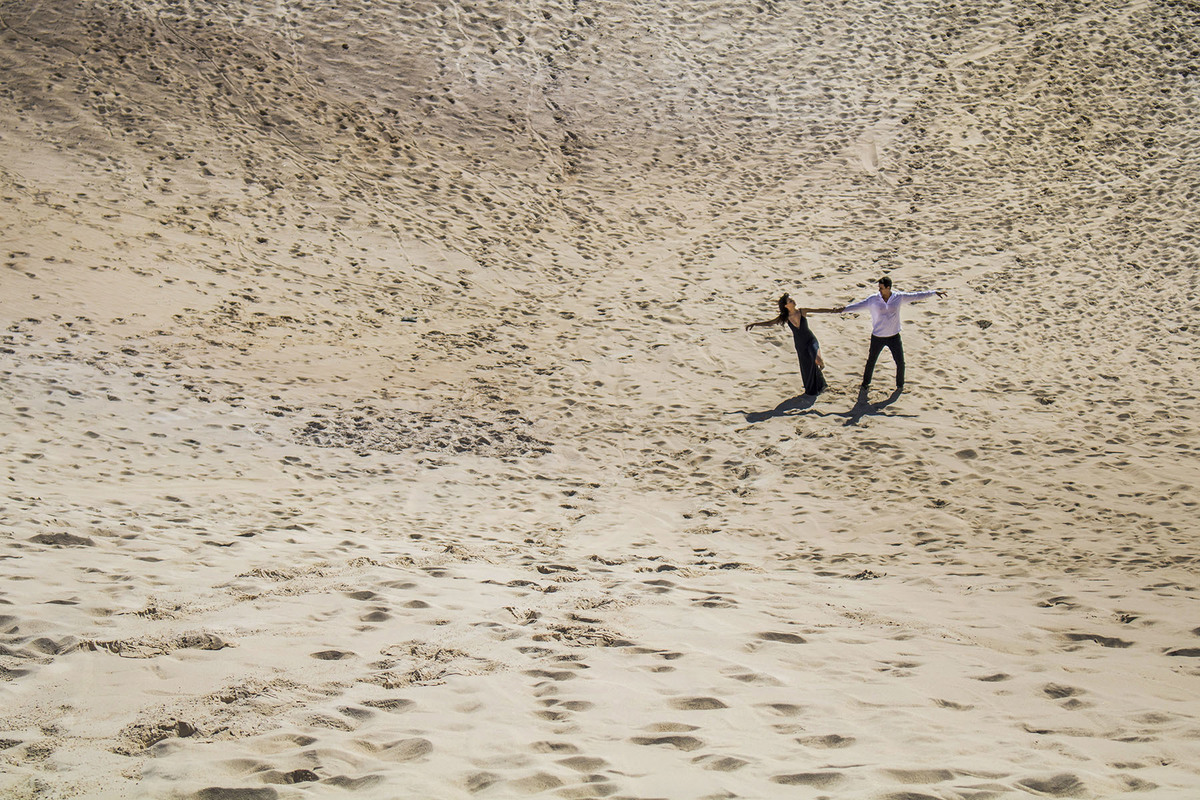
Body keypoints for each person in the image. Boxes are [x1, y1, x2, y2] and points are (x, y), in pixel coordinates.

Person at [841, 276, 946, 392]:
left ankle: (900, 385)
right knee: (871, 361)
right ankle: (865, 384)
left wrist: (933, 293)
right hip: (878, 337)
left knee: (900, 362)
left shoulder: (898, 297)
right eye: (879, 288)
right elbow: (857, 306)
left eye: (881, 288)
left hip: (894, 337)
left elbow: (915, 296)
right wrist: (842, 309)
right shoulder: (873, 299)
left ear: (888, 288)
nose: (879, 290)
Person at [745, 293, 842, 396]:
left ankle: (821, 367)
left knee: (817, 360)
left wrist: (834, 310)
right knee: (807, 366)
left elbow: (818, 310)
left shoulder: (802, 311)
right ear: (786, 306)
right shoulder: (786, 317)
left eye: (792, 300)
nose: (793, 301)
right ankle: (817, 387)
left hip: (810, 340)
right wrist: (755, 324)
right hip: (800, 345)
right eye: (790, 301)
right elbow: (770, 323)